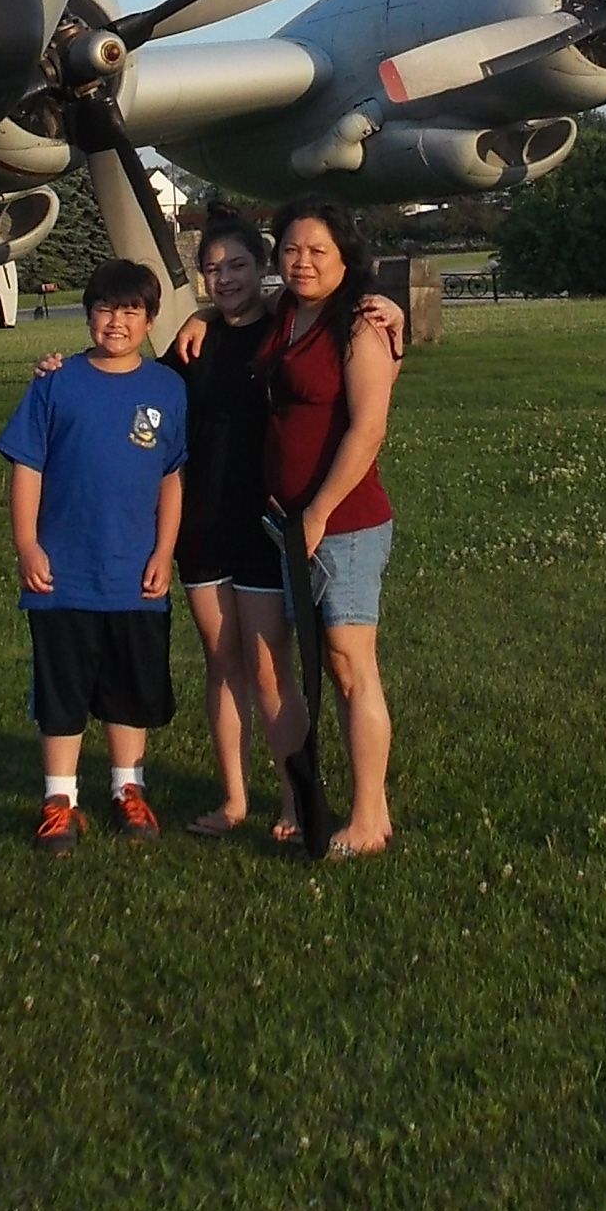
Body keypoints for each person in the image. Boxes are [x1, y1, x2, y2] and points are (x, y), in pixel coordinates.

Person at [179, 197, 402, 857]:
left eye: (317, 251)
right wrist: (197, 313)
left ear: (344, 257)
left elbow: (369, 429)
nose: (302, 261)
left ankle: (365, 822)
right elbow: (235, 306)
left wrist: (320, 511)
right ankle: (369, 807)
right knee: (330, 666)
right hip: (290, 524)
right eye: (293, 250)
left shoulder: (358, 323)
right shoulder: (290, 314)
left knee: (350, 664)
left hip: (342, 523)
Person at [0, 256, 187, 853]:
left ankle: (128, 789)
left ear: (151, 319)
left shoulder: (166, 387)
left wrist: (164, 550)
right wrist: (27, 543)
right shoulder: (55, 383)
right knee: (64, 688)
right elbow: (27, 467)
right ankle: (60, 799)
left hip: (134, 574)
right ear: (87, 315)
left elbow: (172, 477)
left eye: (132, 311)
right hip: (64, 575)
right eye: (105, 309)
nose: (117, 322)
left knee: (128, 687)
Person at [167, 211, 285, 839]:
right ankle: (235, 799)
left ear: (262, 267)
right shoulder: (192, 344)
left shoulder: (286, 330)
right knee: (222, 663)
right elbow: (141, 398)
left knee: (269, 670)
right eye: (213, 270)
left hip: (265, 526)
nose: (226, 278)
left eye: (237, 265)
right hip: (203, 527)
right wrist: (59, 373)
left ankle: (294, 800)